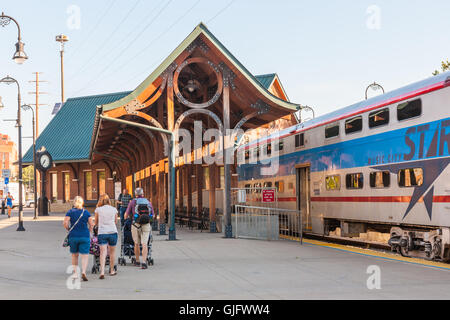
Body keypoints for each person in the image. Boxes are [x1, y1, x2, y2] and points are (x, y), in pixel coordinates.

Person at [63, 196, 94, 281]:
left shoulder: (70, 212)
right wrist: (90, 231)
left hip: (73, 236)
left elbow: (65, 223)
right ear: (82, 203)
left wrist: (68, 229)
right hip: (84, 235)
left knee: (74, 255)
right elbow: (91, 224)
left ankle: (76, 273)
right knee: (85, 255)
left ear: (74, 203)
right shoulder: (86, 212)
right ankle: (83, 271)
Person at [125, 188, 153, 269]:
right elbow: (153, 215)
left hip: (135, 224)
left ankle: (137, 261)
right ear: (143, 193)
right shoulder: (148, 202)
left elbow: (125, 215)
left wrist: (128, 217)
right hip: (146, 224)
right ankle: (144, 262)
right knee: (144, 244)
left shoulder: (132, 202)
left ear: (135, 194)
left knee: (136, 243)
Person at [94, 194, 118, 279]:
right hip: (112, 232)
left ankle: (102, 271)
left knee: (103, 253)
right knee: (112, 253)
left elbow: (96, 222)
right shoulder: (114, 209)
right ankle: (111, 270)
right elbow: (115, 222)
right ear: (109, 200)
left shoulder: (98, 210)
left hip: (102, 232)